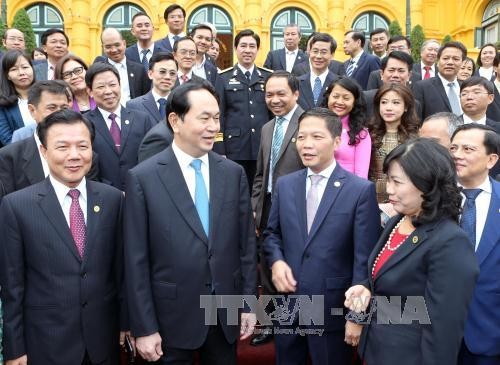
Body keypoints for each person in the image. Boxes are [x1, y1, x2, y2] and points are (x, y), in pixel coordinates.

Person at [124, 81, 257, 364]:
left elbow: (246, 246)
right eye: (204, 118)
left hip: (223, 314)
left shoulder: (232, 173)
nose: (213, 126)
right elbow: (135, 260)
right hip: (170, 317)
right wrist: (144, 327)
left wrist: (247, 304)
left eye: (217, 118)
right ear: (176, 120)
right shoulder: (143, 178)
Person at [0, 109, 127, 365]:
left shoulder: (113, 199)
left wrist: (127, 324)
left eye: (83, 146)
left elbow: (121, 272)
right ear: (45, 152)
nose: (74, 156)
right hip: (46, 343)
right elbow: (12, 285)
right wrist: (15, 349)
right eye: (62, 147)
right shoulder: (17, 205)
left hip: (103, 341)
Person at [345, 137, 479, 365]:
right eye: (388, 180)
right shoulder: (396, 221)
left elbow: (443, 331)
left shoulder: (450, 242)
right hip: (377, 349)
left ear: (426, 185)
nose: (389, 189)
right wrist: (366, 288)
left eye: (397, 182)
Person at [264, 107, 381, 365]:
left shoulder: (360, 191)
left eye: (316, 137)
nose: (306, 144)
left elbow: (365, 260)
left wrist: (357, 316)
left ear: (337, 142)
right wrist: (276, 261)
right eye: (301, 137)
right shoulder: (285, 184)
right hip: (288, 306)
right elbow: (272, 234)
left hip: (332, 309)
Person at [250, 71, 304, 346]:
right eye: (269, 94)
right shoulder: (267, 128)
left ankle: (295, 321)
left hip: (299, 207)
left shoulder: (308, 123)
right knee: (267, 262)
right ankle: (269, 322)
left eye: (281, 93)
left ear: (295, 93)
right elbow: (261, 173)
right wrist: (255, 208)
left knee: (294, 264)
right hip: (269, 205)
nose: (274, 99)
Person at [450, 124, 500, 363]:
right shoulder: (430, 200)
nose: (457, 154)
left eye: (468, 149)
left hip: (490, 334)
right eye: (453, 148)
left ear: (491, 159)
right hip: (434, 335)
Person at [0, 80, 99, 198]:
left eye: (64, 108)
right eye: (51, 108)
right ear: (32, 110)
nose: (59, 114)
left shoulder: (85, 155)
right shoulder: (9, 157)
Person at [215, 29, 272, 186]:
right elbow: (219, 115)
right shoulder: (223, 78)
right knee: (234, 189)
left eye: (252, 46)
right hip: (234, 147)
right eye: (243, 46)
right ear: (236, 48)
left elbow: (273, 113)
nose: (248, 50)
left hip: (262, 146)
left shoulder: (267, 77)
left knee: (259, 190)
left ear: (258, 49)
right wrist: (220, 149)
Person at [84, 62, 153, 190]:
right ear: (90, 91)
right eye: (100, 86)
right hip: (103, 197)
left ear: (120, 85)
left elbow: (150, 160)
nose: (108, 91)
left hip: (139, 192)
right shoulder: (83, 123)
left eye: (112, 85)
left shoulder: (142, 119)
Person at [368, 83, 419, 203]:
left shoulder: (416, 137)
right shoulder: (367, 134)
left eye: (396, 103)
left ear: (406, 107)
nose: (388, 108)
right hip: (370, 198)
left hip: (402, 200)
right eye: (384, 102)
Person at [322, 76, 371, 178]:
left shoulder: (361, 134)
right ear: (328, 97)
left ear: (354, 102)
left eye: (346, 98)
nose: (339, 102)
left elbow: (361, 174)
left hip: (347, 188)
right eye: (335, 96)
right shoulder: (316, 125)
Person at [413, 41, 468, 119]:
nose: (450, 62)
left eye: (456, 59)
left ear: (462, 63)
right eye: (445, 58)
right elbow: (415, 119)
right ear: (438, 62)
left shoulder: (466, 87)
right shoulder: (422, 87)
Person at [96, 28, 150, 105]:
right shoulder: (97, 71)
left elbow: (146, 98)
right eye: (108, 47)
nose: (114, 50)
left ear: (124, 44)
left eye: (117, 45)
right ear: (103, 47)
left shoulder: (139, 70)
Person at [127, 52, 177, 124]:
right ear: (150, 74)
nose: (167, 77)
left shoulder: (183, 105)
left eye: (172, 73)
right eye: (162, 72)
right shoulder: (134, 105)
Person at [0, 50, 36, 145]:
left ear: (32, 68)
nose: (21, 72)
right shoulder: (2, 105)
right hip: (22, 156)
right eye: (14, 69)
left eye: (25, 67)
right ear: (7, 76)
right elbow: (8, 140)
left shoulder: (47, 95)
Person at [297, 33, 339, 111]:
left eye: (323, 52)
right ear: (309, 52)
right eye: (315, 51)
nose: (318, 56)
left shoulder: (338, 83)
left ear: (332, 55)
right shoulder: (296, 83)